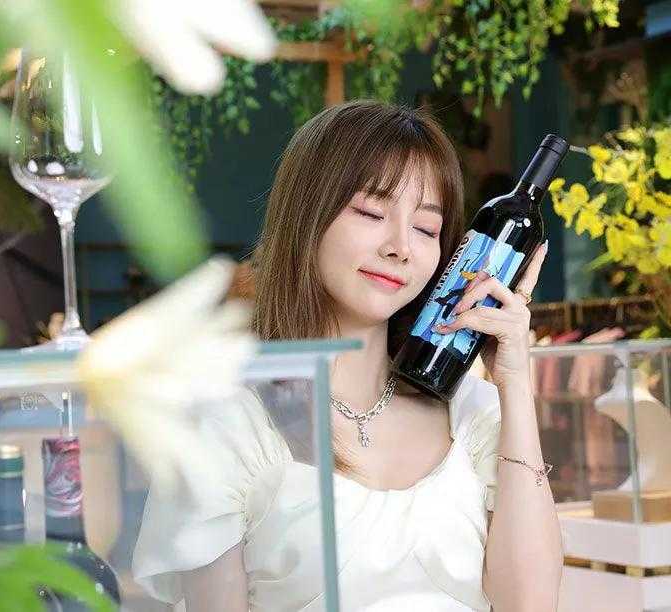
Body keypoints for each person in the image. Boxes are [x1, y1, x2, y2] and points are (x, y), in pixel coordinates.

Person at [132, 101, 563, 611]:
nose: (400, 247)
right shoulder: (230, 425)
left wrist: (514, 382)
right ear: (306, 217)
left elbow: (531, 604)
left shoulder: (473, 413)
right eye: (371, 213)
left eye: (426, 229)